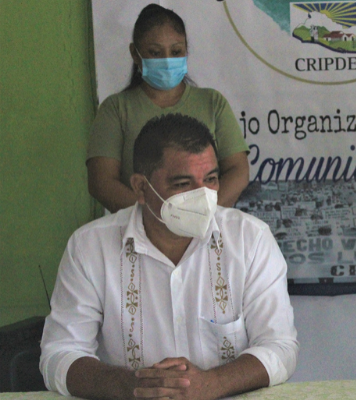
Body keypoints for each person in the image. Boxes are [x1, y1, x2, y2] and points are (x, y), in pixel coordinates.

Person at [41, 114, 298, 399]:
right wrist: (138, 385)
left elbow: (280, 348)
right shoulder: (90, 247)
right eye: (183, 184)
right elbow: (60, 354)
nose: (203, 196)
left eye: (211, 179)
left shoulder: (250, 239)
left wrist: (211, 384)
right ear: (140, 188)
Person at [87, 4, 249, 213]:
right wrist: (158, 220)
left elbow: (238, 170)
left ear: (186, 50)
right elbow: (101, 182)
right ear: (135, 54)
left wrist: (205, 216)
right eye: (155, 52)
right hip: (139, 229)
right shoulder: (116, 109)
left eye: (176, 51)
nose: (167, 60)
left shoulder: (212, 103)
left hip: (206, 227)